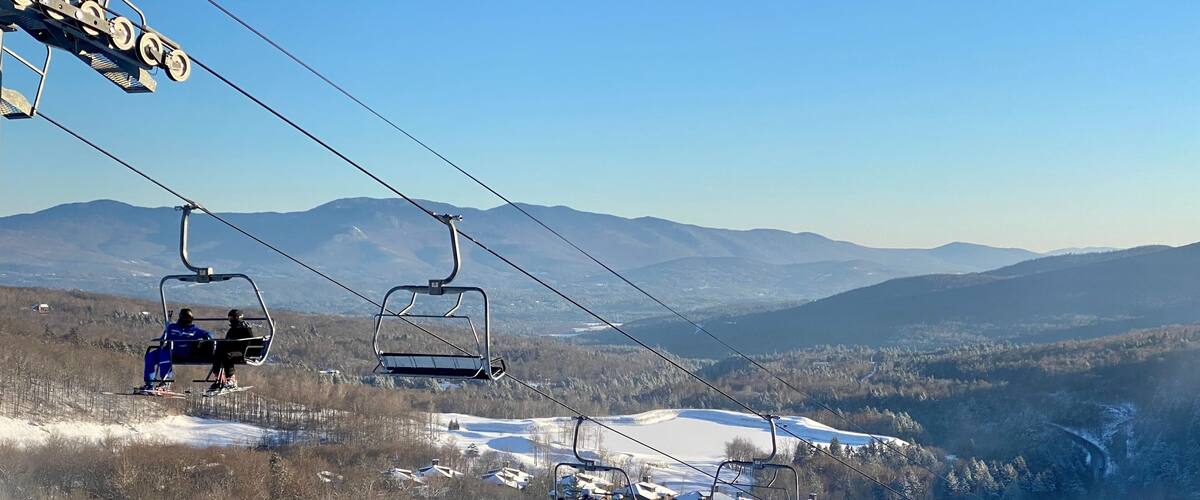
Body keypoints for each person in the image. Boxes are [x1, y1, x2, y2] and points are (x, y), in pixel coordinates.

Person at [141, 308, 212, 392]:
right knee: (150, 357)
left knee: (165, 354)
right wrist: (163, 339)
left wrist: (207, 337)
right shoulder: (172, 327)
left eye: (189, 319)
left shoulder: (194, 330)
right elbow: (163, 339)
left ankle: (165, 382)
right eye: (186, 319)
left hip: (182, 352)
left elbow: (207, 334)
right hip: (168, 349)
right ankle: (149, 383)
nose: (188, 321)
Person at [208, 309, 254, 392]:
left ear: (238, 318)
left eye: (232, 318)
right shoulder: (233, 329)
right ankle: (219, 378)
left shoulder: (245, 328)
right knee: (218, 353)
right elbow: (228, 341)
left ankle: (231, 379)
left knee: (227, 355)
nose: (230, 320)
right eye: (229, 318)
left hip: (242, 351)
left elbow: (249, 342)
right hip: (233, 350)